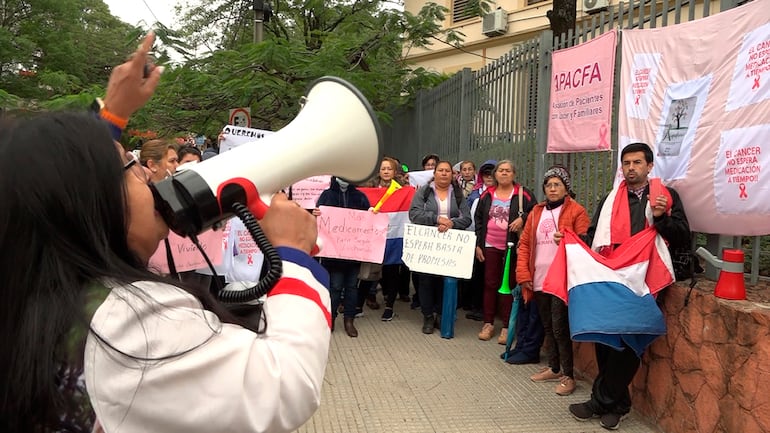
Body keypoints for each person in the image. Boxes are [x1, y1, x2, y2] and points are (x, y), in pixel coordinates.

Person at [0, 33, 331, 433]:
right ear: (99, 203)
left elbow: (48, 185)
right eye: (133, 169)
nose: (148, 179)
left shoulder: (30, 290)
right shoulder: (130, 327)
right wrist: (293, 254)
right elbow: (285, 386)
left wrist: (111, 118)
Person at [568, 142, 690, 430]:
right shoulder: (610, 198)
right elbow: (594, 236)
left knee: (629, 340)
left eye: (637, 162)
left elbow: (684, 236)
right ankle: (617, 404)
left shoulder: (665, 197)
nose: (631, 168)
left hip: (646, 279)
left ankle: (602, 401)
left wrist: (661, 218)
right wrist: (572, 242)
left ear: (649, 166)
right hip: (612, 278)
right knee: (606, 337)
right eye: (626, 163)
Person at [516, 165, 590, 396]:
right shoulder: (536, 212)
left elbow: (585, 242)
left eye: (557, 184)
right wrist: (524, 275)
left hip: (561, 279)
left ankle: (568, 375)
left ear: (566, 188)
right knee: (547, 326)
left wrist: (568, 239)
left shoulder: (577, 211)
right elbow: (525, 244)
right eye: (549, 185)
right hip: (538, 277)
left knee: (560, 328)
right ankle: (555, 367)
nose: (552, 188)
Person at [474, 160, 537, 344]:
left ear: (514, 174)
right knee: (490, 283)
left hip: (513, 246)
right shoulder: (488, 194)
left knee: (508, 285)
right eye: (500, 170)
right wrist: (479, 244)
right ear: (495, 174)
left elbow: (535, 212)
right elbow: (478, 220)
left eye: (508, 171)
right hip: (490, 245)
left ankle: (507, 326)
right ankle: (488, 323)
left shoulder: (522, 194)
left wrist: (523, 218)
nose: (504, 174)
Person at [408, 161, 471, 334]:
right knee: (426, 280)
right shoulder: (424, 191)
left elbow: (467, 218)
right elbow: (414, 213)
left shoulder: (457, 193)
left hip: (450, 245)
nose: (444, 173)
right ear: (434, 174)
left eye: (447, 171)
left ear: (452, 175)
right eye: (440, 170)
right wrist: (437, 219)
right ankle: (428, 316)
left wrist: (451, 223)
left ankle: (441, 313)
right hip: (428, 244)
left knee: (446, 281)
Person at [315, 177, 371, 337]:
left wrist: (372, 214)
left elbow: (368, 219)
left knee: (352, 287)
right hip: (333, 254)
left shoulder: (360, 196)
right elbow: (318, 219)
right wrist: (316, 213)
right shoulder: (326, 195)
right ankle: (330, 319)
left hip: (354, 252)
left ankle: (349, 320)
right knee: (336, 287)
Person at [367, 156, 410, 321]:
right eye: (383, 168)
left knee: (392, 271)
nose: (386, 171)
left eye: (389, 169)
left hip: (393, 237)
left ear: (395, 171)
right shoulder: (370, 187)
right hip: (374, 237)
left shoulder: (403, 189)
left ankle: (389, 306)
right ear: (379, 171)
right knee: (371, 271)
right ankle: (362, 302)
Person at [463, 160, 496, 321]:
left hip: (495, 241)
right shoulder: (475, 194)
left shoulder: (502, 194)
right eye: (486, 174)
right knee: (477, 275)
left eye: (492, 173)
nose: (489, 177)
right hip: (476, 240)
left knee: (491, 277)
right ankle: (476, 306)